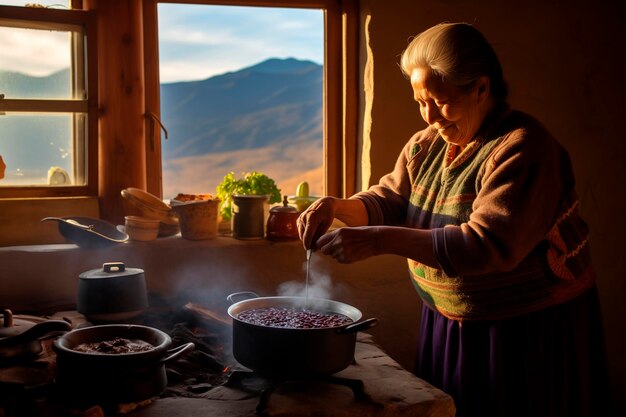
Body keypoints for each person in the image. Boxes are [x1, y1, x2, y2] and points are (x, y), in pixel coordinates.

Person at [297, 22, 610, 417]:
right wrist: (338, 207)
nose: (430, 116)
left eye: (440, 101)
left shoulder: (524, 149)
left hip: (523, 332)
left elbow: (486, 246)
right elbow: (389, 199)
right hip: (451, 323)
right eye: (420, 102)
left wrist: (379, 240)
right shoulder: (427, 144)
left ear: (481, 88)